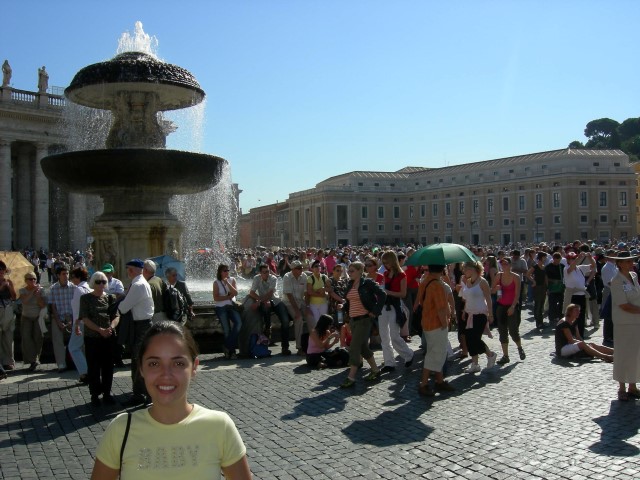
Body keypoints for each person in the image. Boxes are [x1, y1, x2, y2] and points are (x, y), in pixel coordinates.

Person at [90, 321, 252, 480]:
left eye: (178, 363)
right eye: (154, 363)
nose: (166, 374)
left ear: (194, 367)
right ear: (141, 368)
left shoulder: (219, 426)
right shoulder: (120, 430)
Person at [340, 261, 386, 388]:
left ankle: (351, 377)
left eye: (352, 271)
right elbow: (349, 300)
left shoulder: (368, 283)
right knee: (364, 347)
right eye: (349, 271)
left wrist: (375, 311)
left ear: (360, 271)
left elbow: (382, 295)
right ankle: (376, 370)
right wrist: (343, 305)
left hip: (364, 319)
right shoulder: (350, 284)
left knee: (354, 346)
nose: (349, 273)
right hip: (353, 320)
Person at [78, 272, 119, 406]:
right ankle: (94, 394)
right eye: (98, 282)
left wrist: (111, 328)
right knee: (93, 367)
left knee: (108, 367)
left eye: (103, 282)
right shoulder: (85, 298)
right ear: (93, 283)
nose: (101, 284)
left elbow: (116, 316)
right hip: (92, 337)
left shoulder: (111, 298)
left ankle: (107, 393)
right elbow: (85, 318)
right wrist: (99, 330)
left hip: (108, 336)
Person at [118, 259, 154, 406]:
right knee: (139, 360)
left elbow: (123, 308)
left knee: (138, 361)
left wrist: (120, 302)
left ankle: (144, 394)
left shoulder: (138, 285)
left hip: (141, 326)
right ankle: (140, 393)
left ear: (132, 270)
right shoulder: (141, 283)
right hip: (142, 325)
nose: (127, 272)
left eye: (128, 269)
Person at [417, 264, 455, 396]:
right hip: (436, 323)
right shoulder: (437, 285)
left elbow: (420, 301)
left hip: (427, 321)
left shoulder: (425, 281)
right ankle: (424, 384)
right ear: (442, 270)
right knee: (434, 353)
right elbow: (441, 308)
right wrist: (445, 323)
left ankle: (439, 380)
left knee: (437, 352)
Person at [608, 251, 640, 401]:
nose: (630, 263)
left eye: (631, 260)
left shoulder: (633, 276)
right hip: (624, 322)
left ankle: (632, 385)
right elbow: (623, 305)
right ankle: (621, 387)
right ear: (619, 263)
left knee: (634, 354)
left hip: (636, 321)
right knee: (622, 353)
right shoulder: (616, 280)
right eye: (626, 261)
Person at [378, 251, 414, 372]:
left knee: (394, 335)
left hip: (395, 305)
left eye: (387, 262)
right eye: (384, 263)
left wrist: (388, 292)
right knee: (384, 336)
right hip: (384, 306)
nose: (385, 265)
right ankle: (389, 362)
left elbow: (403, 294)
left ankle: (408, 354)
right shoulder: (386, 274)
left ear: (392, 261)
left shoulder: (401, 275)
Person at [459, 261, 497, 373]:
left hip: (480, 314)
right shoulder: (468, 281)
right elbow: (466, 298)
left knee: (475, 339)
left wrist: (490, 314)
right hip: (469, 313)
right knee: (469, 340)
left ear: (471, 269)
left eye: (465, 269)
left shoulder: (482, 282)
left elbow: (489, 298)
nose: (464, 272)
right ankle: (475, 364)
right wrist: (463, 311)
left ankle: (490, 355)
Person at [245, 264, 291, 355]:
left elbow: (270, 293)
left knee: (285, 321)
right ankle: (267, 330)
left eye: (268, 271)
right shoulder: (256, 278)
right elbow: (251, 292)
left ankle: (285, 347)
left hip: (276, 301)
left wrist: (258, 301)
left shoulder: (273, 278)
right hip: (264, 301)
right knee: (265, 309)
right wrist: (260, 300)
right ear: (260, 273)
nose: (267, 274)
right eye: (264, 272)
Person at [492, 258, 525, 365]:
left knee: (513, 331)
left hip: (512, 306)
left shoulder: (516, 277)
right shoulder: (498, 275)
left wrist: (513, 307)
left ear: (510, 265)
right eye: (502, 263)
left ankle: (519, 347)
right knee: (502, 331)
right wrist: (496, 289)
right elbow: (491, 290)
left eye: (506, 263)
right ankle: (506, 356)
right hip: (501, 306)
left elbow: (517, 294)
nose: (504, 265)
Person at [17, 272, 46, 372]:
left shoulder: (41, 290)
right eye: (30, 279)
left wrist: (38, 296)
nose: (33, 281)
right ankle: (32, 360)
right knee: (26, 338)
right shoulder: (22, 290)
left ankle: (36, 359)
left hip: (38, 317)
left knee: (38, 337)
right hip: (26, 317)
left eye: (34, 279)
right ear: (26, 281)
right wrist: (33, 291)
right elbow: (24, 301)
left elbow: (42, 305)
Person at [562, 251, 594, 338]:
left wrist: (590, 258)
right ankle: (571, 335)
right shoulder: (566, 268)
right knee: (572, 316)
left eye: (574, 258)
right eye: (571, 258)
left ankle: (580, 335)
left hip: (581, 295)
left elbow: (593, 266)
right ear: (568, 260)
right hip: (573, 296)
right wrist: (578, 258)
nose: (573, 260)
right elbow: (571, 267)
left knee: (581, 316)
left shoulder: (580, 268)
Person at [213, 264, 242, 359]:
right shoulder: (216, 282)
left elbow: (236, 293)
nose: (226, 272)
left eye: (227, 270)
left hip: (231, 306)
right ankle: (232, 352)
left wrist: (227, 283)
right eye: (224, 271)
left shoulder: (232, 280)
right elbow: (216, 298)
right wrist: (227, 297)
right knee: (227, 330)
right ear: (220, 272)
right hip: (221, 307)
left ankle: (227, 346)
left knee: (239, 323)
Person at [281, 260, 309, 355]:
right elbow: (289, 295)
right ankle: (299, 347)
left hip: (301, 302)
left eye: (301, 267)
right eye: (298, 268)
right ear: (292, 269)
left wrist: (308, 306)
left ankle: (314, 344)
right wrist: (297, 311)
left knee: (312, 315)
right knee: (299, 319)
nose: (301, 269)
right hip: (289, 303)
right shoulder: (287, 277)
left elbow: (306, 293)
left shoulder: (304, 276)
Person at [70, 267, 91, 384]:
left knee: (73, 347)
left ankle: (85, 372)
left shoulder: (79, 290)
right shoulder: (88, 288)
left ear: (78, 277)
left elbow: (79, 309)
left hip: (80, 322)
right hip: (87, 322)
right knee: (82, 348)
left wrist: (76, 325)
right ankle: (87, 372)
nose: (72, 279)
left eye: (73, 277)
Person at [0, 261, 17, 372]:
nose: (1, 272)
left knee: (8, 337)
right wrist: (1, 288)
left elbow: (14, 297)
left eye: (3, 270)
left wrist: (10, 287)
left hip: (8, 310)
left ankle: (8, 361)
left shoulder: (9, 281)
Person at [306, 260, 330, 328]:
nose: (318, 267)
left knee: (324, 322)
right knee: (316, 323)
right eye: (316, 266)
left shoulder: (324, 277)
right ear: (312, 268)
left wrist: (323, 289)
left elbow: (330, 289)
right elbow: (309, 292)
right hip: (313, 304)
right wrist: (321, 294)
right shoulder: (310, 278)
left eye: (319, 266)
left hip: (323, 303)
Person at [527, 252, 548, 330]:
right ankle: (538, 322)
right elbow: (528, 274)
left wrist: (547, 286)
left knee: (541, 305)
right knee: (537, 305)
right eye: (544, 257)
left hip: (543, 287)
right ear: (541, 257)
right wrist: (533, 281)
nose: (545, 258)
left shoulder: (544, 266)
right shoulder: (535, 266)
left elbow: (545, 277)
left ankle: (541, 322)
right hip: (537, 287)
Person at [545, 252, 565, 327]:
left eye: (559, 260)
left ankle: (560, 317)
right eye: (556, 260)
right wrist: (549, 286)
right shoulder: (548, 267)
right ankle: (552, 318)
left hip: (560, 288)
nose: (557, 262)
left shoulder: (562, 266)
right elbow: (546, 278)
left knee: (561, 303)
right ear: (553, 259)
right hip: (552, 288)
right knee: (552, 304)